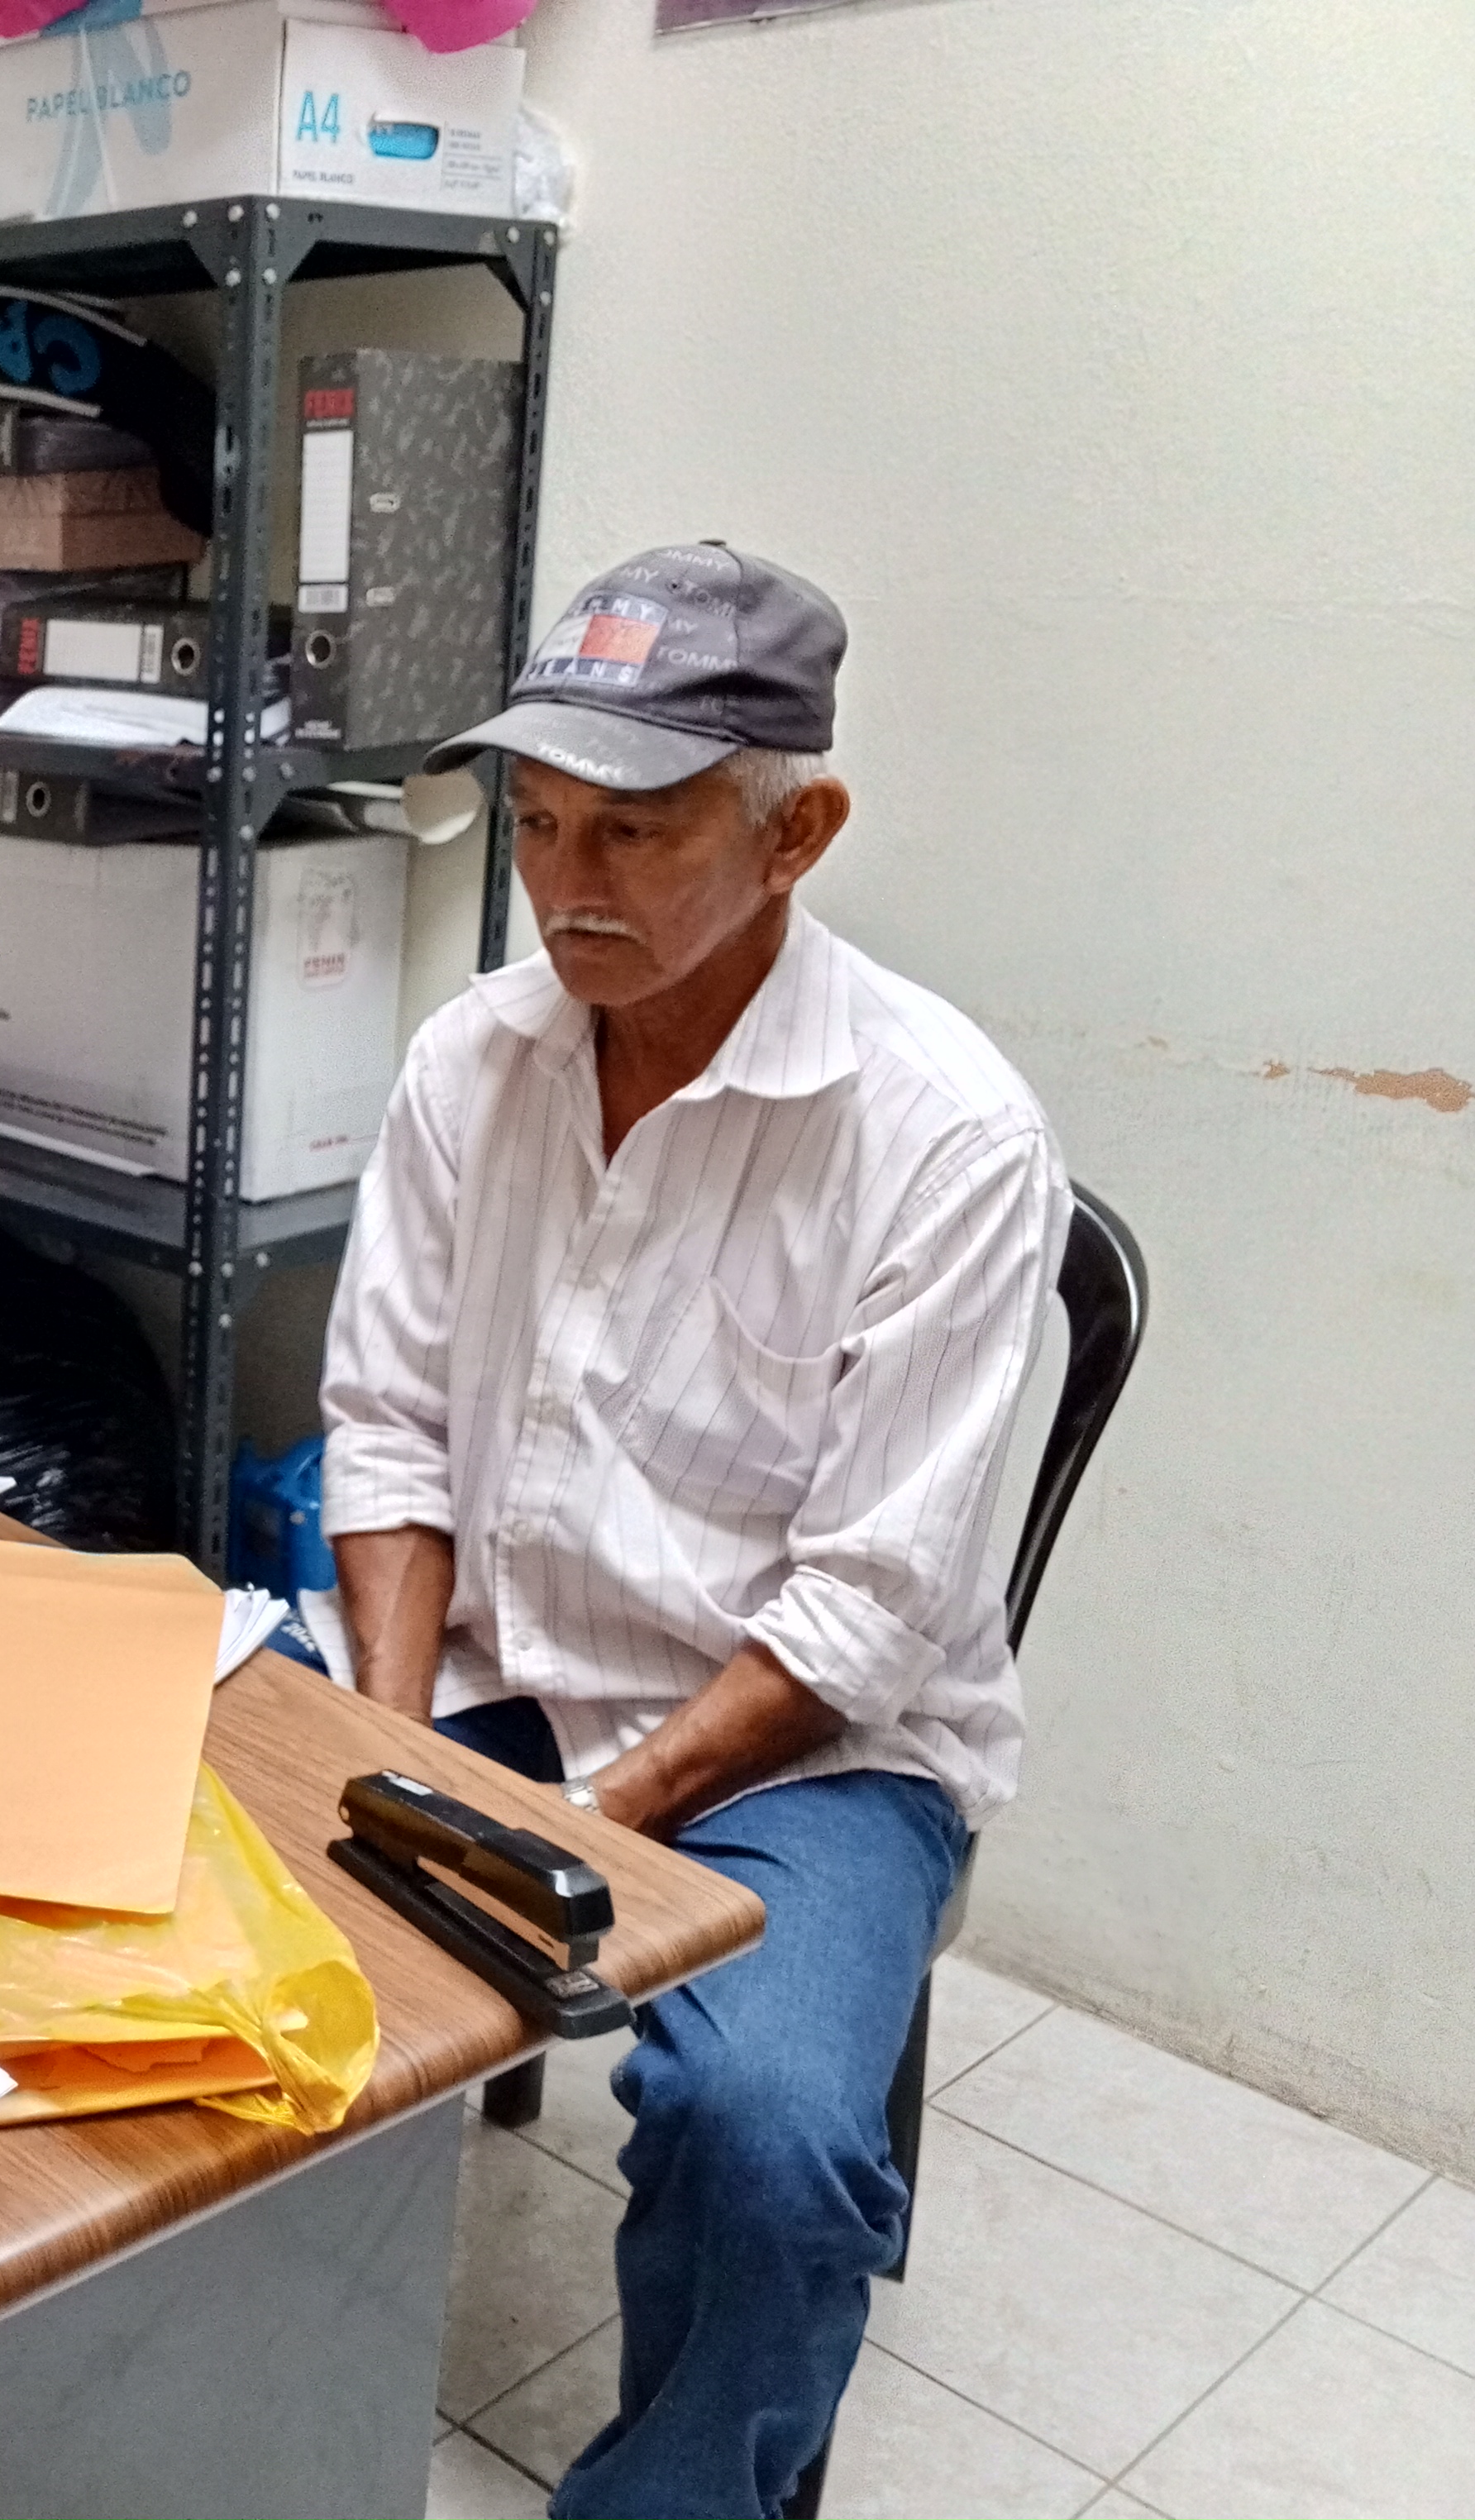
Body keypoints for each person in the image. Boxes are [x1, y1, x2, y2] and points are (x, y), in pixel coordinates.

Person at [318, 546, 1066, 2518]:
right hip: (494, 1667)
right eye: (536, 822)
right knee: (215, 1936)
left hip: (805, 1745)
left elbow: (866, 1609)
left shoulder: (945, 1134)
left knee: (767, 2136)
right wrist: (383, 1744)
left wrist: (586, 1828)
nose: (564, 882)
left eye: (633, 833)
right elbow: (386, 1430)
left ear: (792, 832)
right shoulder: (470, 1061)